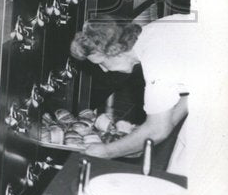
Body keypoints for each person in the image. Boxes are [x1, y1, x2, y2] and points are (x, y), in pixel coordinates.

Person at [70, 14, 195, 175]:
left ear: (117, 52)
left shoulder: (156, 59)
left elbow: (158, 130)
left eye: (102, 63)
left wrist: (106, 152)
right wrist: (137, 139)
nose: (105, 70)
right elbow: (194, 94)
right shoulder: (151, 34)